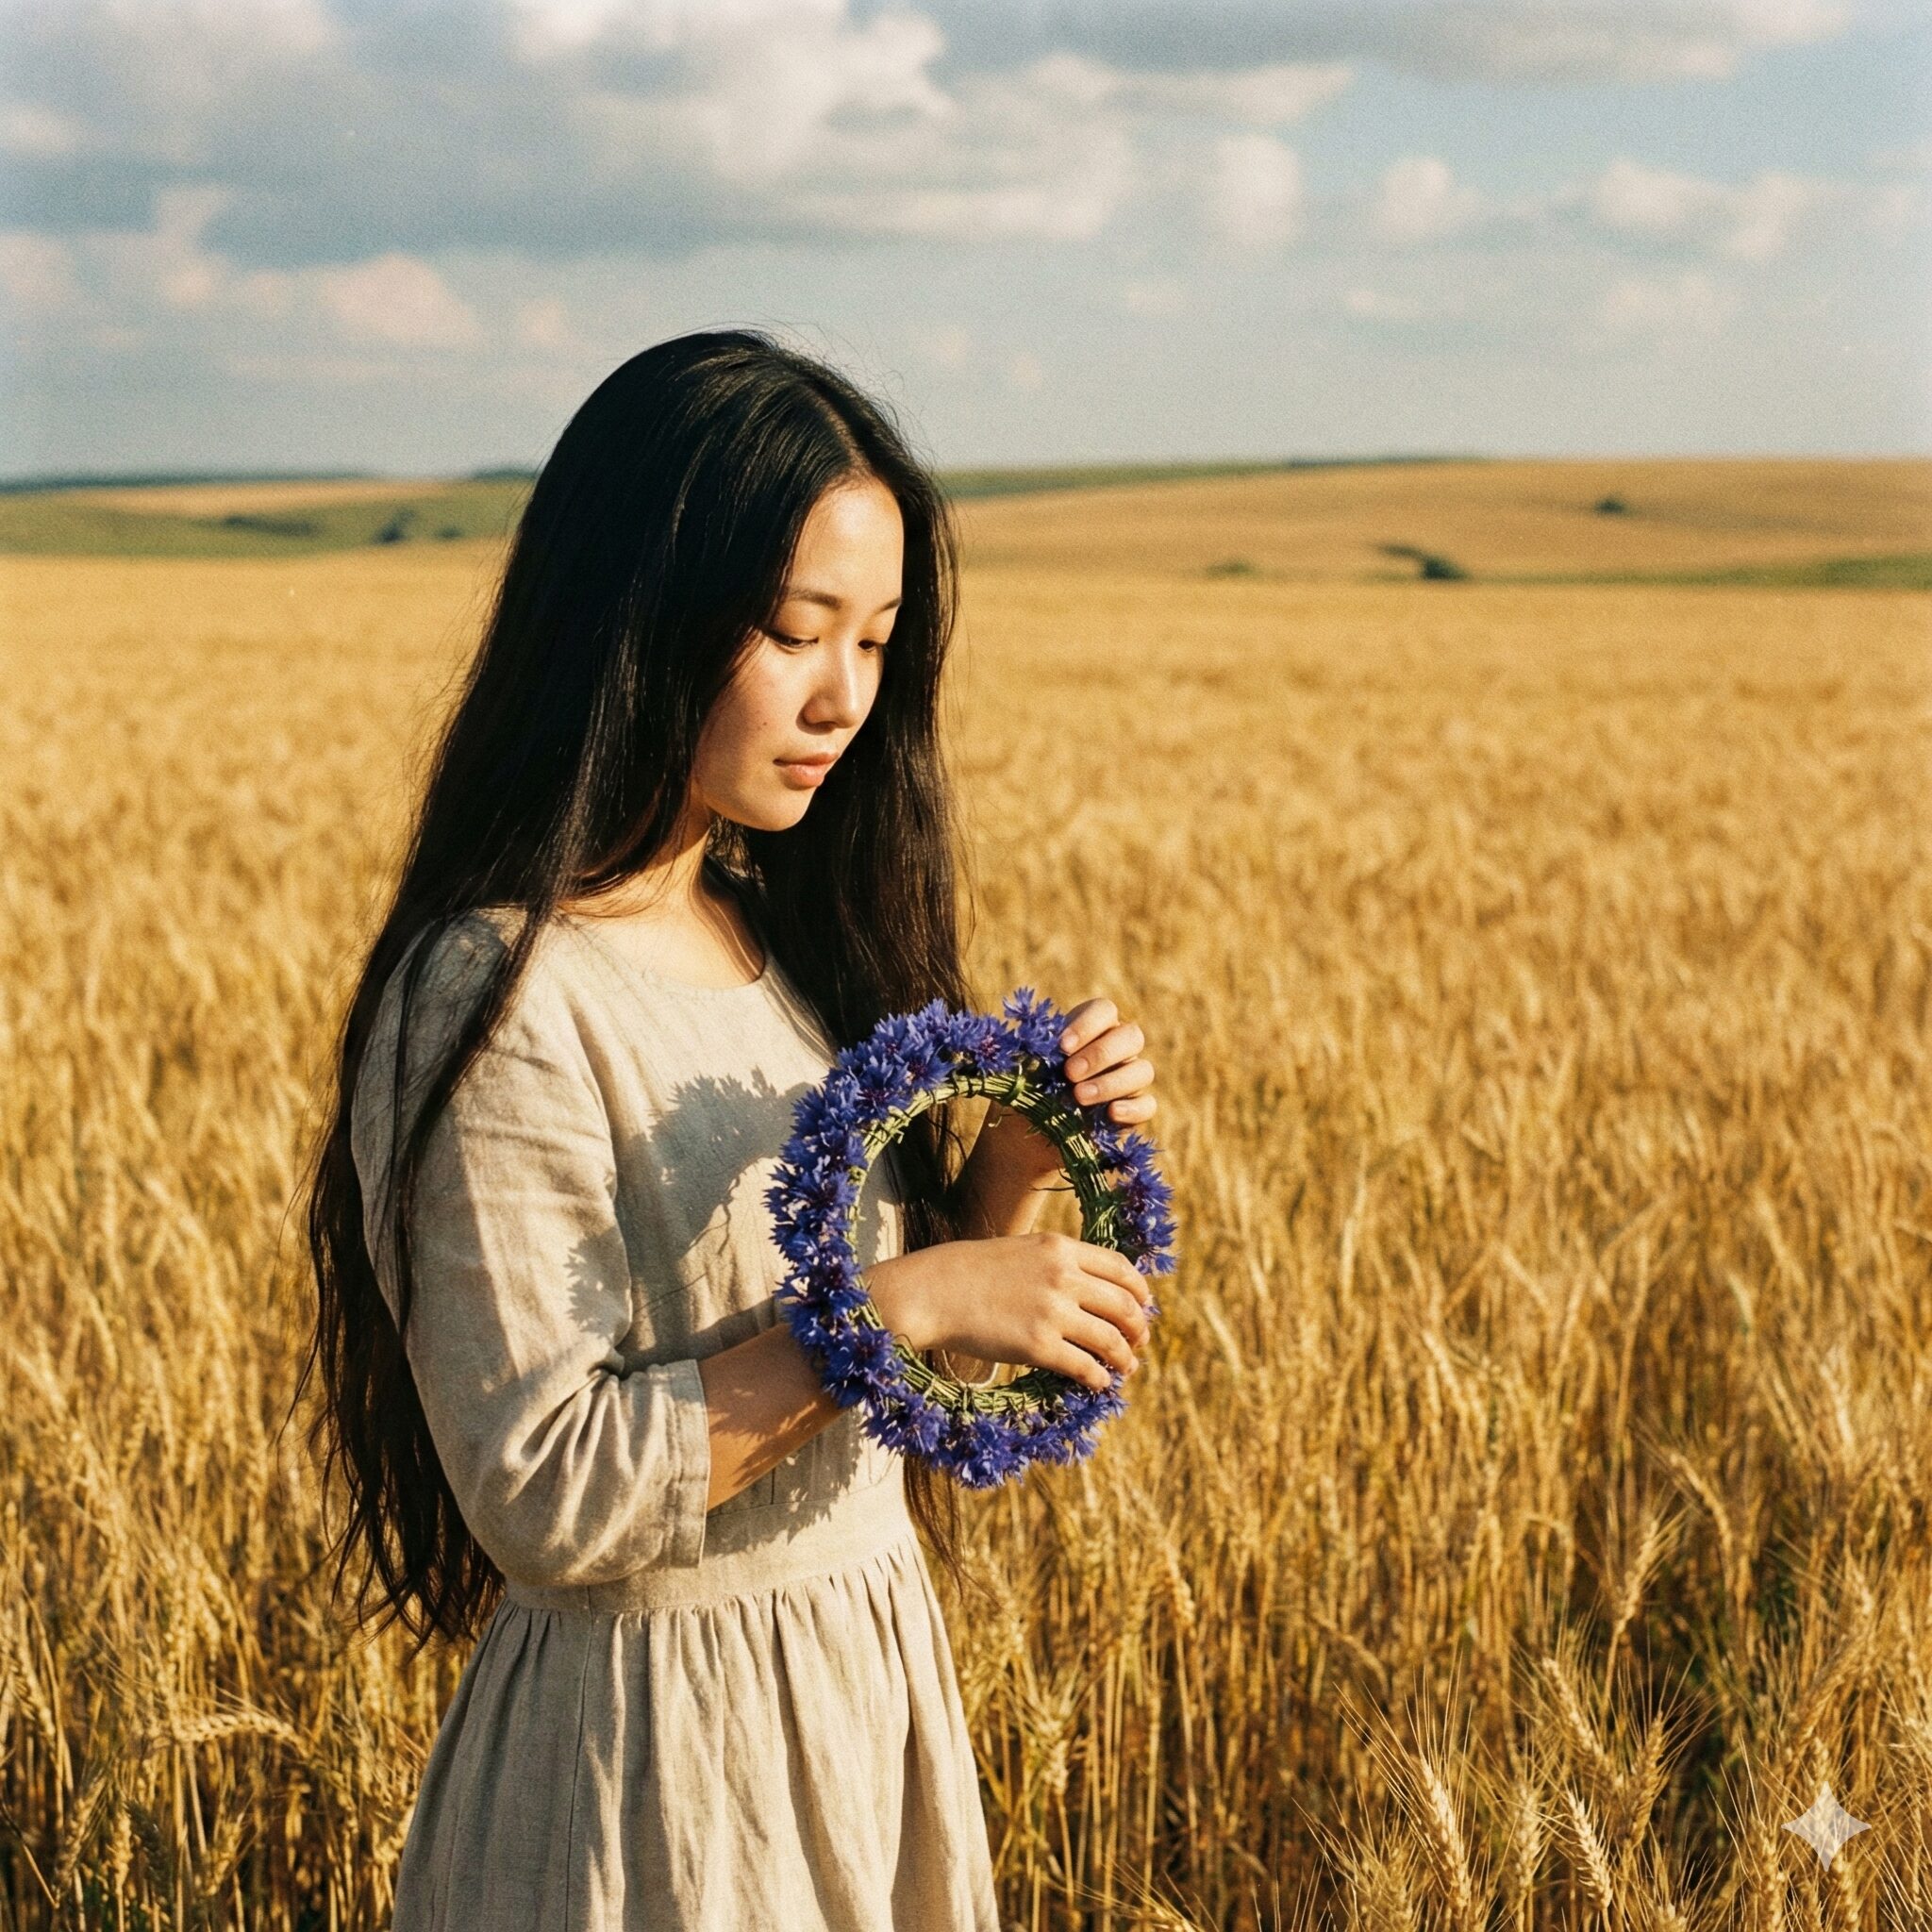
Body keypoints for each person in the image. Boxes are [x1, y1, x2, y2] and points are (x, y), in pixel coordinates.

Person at [300, 327, 1161, 1930]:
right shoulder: (498, 996)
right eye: (792, 631)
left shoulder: (791, 941)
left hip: (856, 1701)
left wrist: (1013, 1181)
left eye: (881, 640)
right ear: (639, 618)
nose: (846, 697)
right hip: (648, 1775)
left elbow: (869, 1388)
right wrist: (898, 1307)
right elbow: (544, 1490)